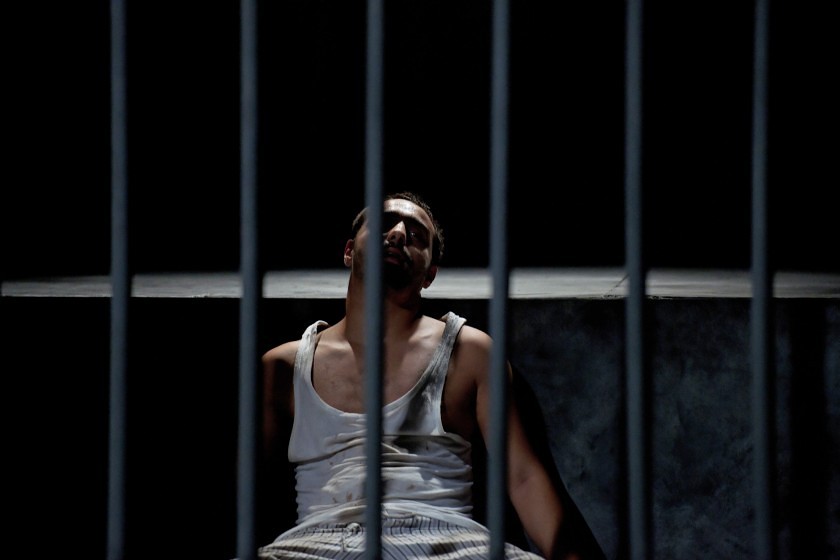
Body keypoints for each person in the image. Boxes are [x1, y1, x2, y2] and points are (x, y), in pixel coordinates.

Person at [258, 192, 598, 559]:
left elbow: (525, 478)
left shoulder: (469, 353)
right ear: (348, 251)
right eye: (384, 224)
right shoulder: (284, 366)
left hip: (450, 544)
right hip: (320, 545)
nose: (398, 234)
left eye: (417, 236)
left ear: (430, 274)